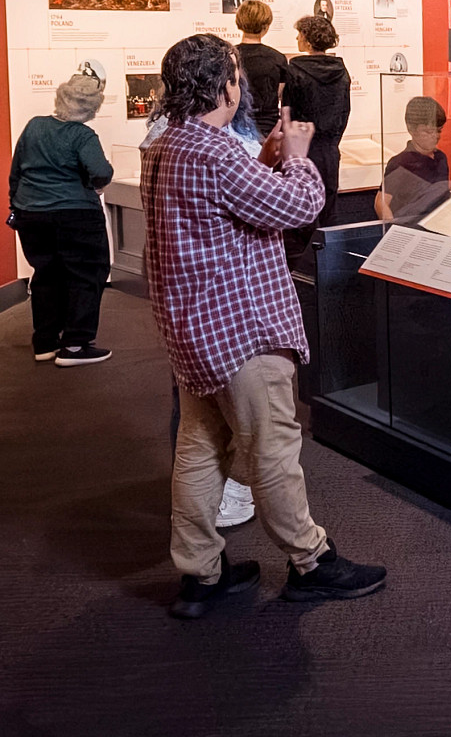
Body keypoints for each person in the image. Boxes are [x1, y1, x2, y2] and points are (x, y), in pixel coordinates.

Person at [143, 33, 386, 619]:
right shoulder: (214, 150)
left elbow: (230, 203)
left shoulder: (166, 146)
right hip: (242, 328)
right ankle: (312, 562)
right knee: (274, 449)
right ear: (225, 85)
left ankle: (201, 574)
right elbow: (300, 207)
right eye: (235, 75)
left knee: (201, 447)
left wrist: (268, 160)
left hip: (195, 330)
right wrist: (299, 156)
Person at [9, 70, 114, 367]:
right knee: (86, 275)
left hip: (31, 215)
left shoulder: (34, 127)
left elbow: (16, 172)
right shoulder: (82, 135)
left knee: (45, 275)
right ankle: (76, 345)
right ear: (92, 106)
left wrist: (17, 206)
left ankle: (45, 343)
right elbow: (101, 172)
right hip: (76, 216)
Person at [286, 13, 352, 246]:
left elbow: (289, 112)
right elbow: (345, 111)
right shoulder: (341, 71)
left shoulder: (295, 69)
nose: (296, 38)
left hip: (303, 149)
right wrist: (333, 139)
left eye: (299, 34)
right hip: (330, 149)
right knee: (328, 210)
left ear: (307, 38)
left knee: (301, 210)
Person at [376, 95, 451, 222]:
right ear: (411, 129)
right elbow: (381, 203)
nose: (435, 136)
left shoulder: (440, 158)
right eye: (427, 131)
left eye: (439, 130)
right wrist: (394, 230)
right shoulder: (401, 162)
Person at [233, 0, 291, 139]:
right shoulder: (277, 58)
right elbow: (278, 94)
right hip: (267, 127)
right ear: (266, 26)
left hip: (235, 124)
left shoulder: (229, 56)